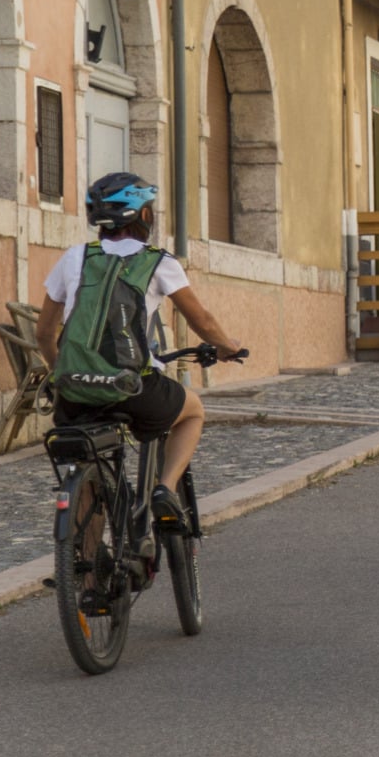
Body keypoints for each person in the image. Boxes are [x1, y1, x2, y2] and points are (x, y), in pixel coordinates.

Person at [35, 173, 247, 567]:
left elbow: (44, 333)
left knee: (87, 464)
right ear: (144, 215)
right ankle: (165, 489)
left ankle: (89, 577)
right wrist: (226, 346)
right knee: (193, 411)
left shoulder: (74, 257)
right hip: (132, 388)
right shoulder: (158, 261)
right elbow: (201, 319)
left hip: (74, 393)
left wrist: (59, 375)